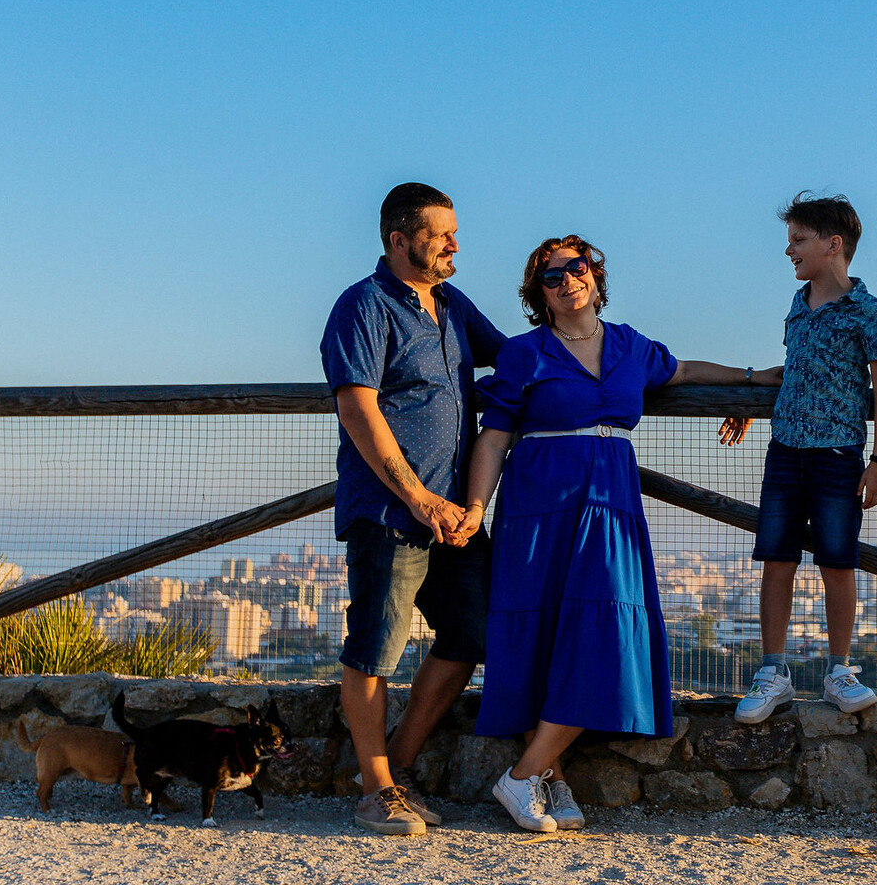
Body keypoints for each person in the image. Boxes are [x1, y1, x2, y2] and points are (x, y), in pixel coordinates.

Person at [463, 235, 776, 832]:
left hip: (610, 505)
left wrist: (748, 383)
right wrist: (477, 507)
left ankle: (523, 775)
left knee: (604, 633)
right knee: (543, 636)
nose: (566, 281)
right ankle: (549, 781)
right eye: (551, 277)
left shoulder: (632, 345)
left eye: (575, 269)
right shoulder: (524, 353)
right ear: (540, 294)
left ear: (595, 276)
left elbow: (682, 370)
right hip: (539, 504)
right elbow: (494, 436)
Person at [319, 182, 507, 836]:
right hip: (390, 514)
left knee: (473, 634)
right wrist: (418, 497)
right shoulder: (363, 306)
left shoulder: (453, 307)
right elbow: (358, 408)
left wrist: (621, 363)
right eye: (439, 233)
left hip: (456, 520)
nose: (454, 243)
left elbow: (518, 360)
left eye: (455, 231)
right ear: (399, 239)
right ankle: (376, 792)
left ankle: (393, 772)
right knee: (374, 648)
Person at [734, 194, 877, 725]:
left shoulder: (870, 311)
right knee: (776, 560)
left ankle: (839, 670)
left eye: (798, 240)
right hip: (785, 452)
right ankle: (774, 671)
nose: (789, 251)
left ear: (834, 245)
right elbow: (795, 370)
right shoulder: (796, 306)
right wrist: (755, 405)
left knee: (837, 564)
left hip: (838, 454)